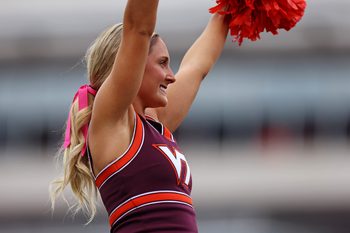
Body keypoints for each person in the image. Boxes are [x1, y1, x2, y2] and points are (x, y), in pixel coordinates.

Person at [50, 0, 229, 232]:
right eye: (162, 63)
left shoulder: (155, 124)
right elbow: (138, 28)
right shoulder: (113, 122)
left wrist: (234, 8)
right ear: (132, 63)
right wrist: (138, 37)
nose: (171, 76)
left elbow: (197, 66)